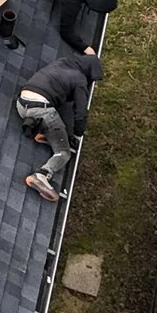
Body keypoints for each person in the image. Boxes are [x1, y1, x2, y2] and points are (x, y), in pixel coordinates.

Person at [17, 54, 104, 202]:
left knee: (54, 125)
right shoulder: (80, 80)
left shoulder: (63, 62)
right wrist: (77, 134)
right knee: (64, 152)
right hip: (41, 110)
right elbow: (81, 113)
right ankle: (41, 175)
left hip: (22, 104)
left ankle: (46, 134)